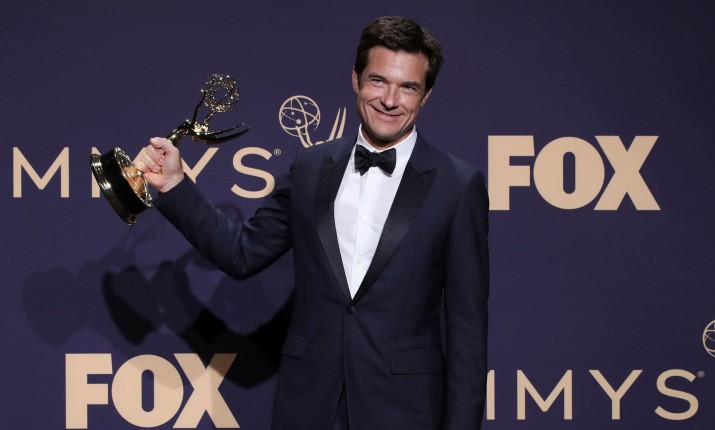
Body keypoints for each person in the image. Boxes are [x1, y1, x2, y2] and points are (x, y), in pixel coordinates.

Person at [136, 15, 489, 430]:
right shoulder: (311, 167)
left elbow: (467, 334)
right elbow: (241, 253)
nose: (390, 100)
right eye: (378, 81)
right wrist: (175, 185)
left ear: (426, 95)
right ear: (356, 79)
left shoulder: (457, 184)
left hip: (404, 411)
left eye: (408, 87)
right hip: (308, 406)